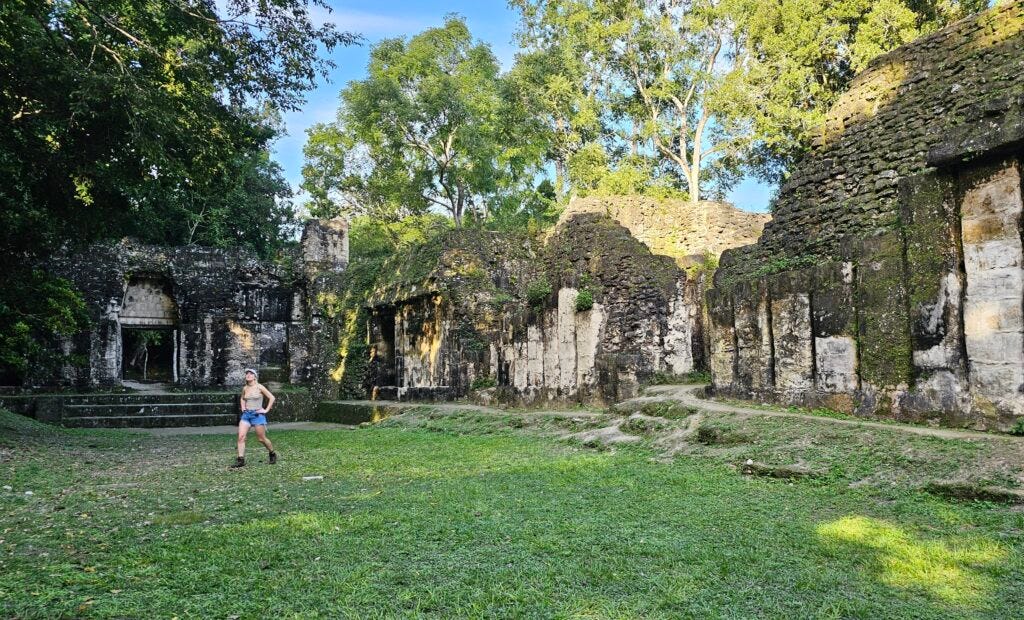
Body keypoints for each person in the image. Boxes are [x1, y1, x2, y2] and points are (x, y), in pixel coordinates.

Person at [231, 368, 277, 468]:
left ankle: (272, 453)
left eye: (251, 373)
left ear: (255, 377)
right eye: (247, 373)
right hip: (246, 415)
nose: (248, 375)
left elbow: (272, 398)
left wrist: (266, 410)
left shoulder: (259, 387)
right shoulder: (245, 388)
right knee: (241, 437)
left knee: (261, 439)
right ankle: (240, 460)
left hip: (257, 415)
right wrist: (243, 407)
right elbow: (242, 398)